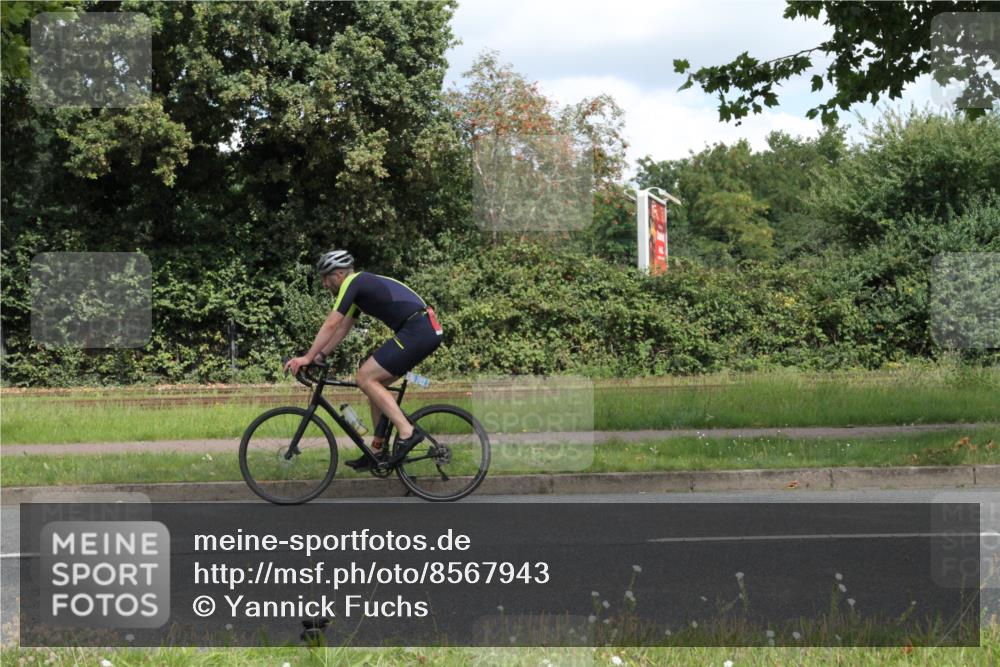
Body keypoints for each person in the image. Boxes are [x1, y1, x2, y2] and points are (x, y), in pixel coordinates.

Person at [284, 250, 443, 470]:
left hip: (418, 330)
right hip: (421, 330)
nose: (324, 284)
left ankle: (407, 432)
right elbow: (342, 329)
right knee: (375, 386)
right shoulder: (358, 292)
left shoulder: (354, 282)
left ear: (339, 274)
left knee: (364, 377)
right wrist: (319, 356)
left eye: (325, 278)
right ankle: (377, 451)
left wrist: (307, 357)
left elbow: (331, 323)